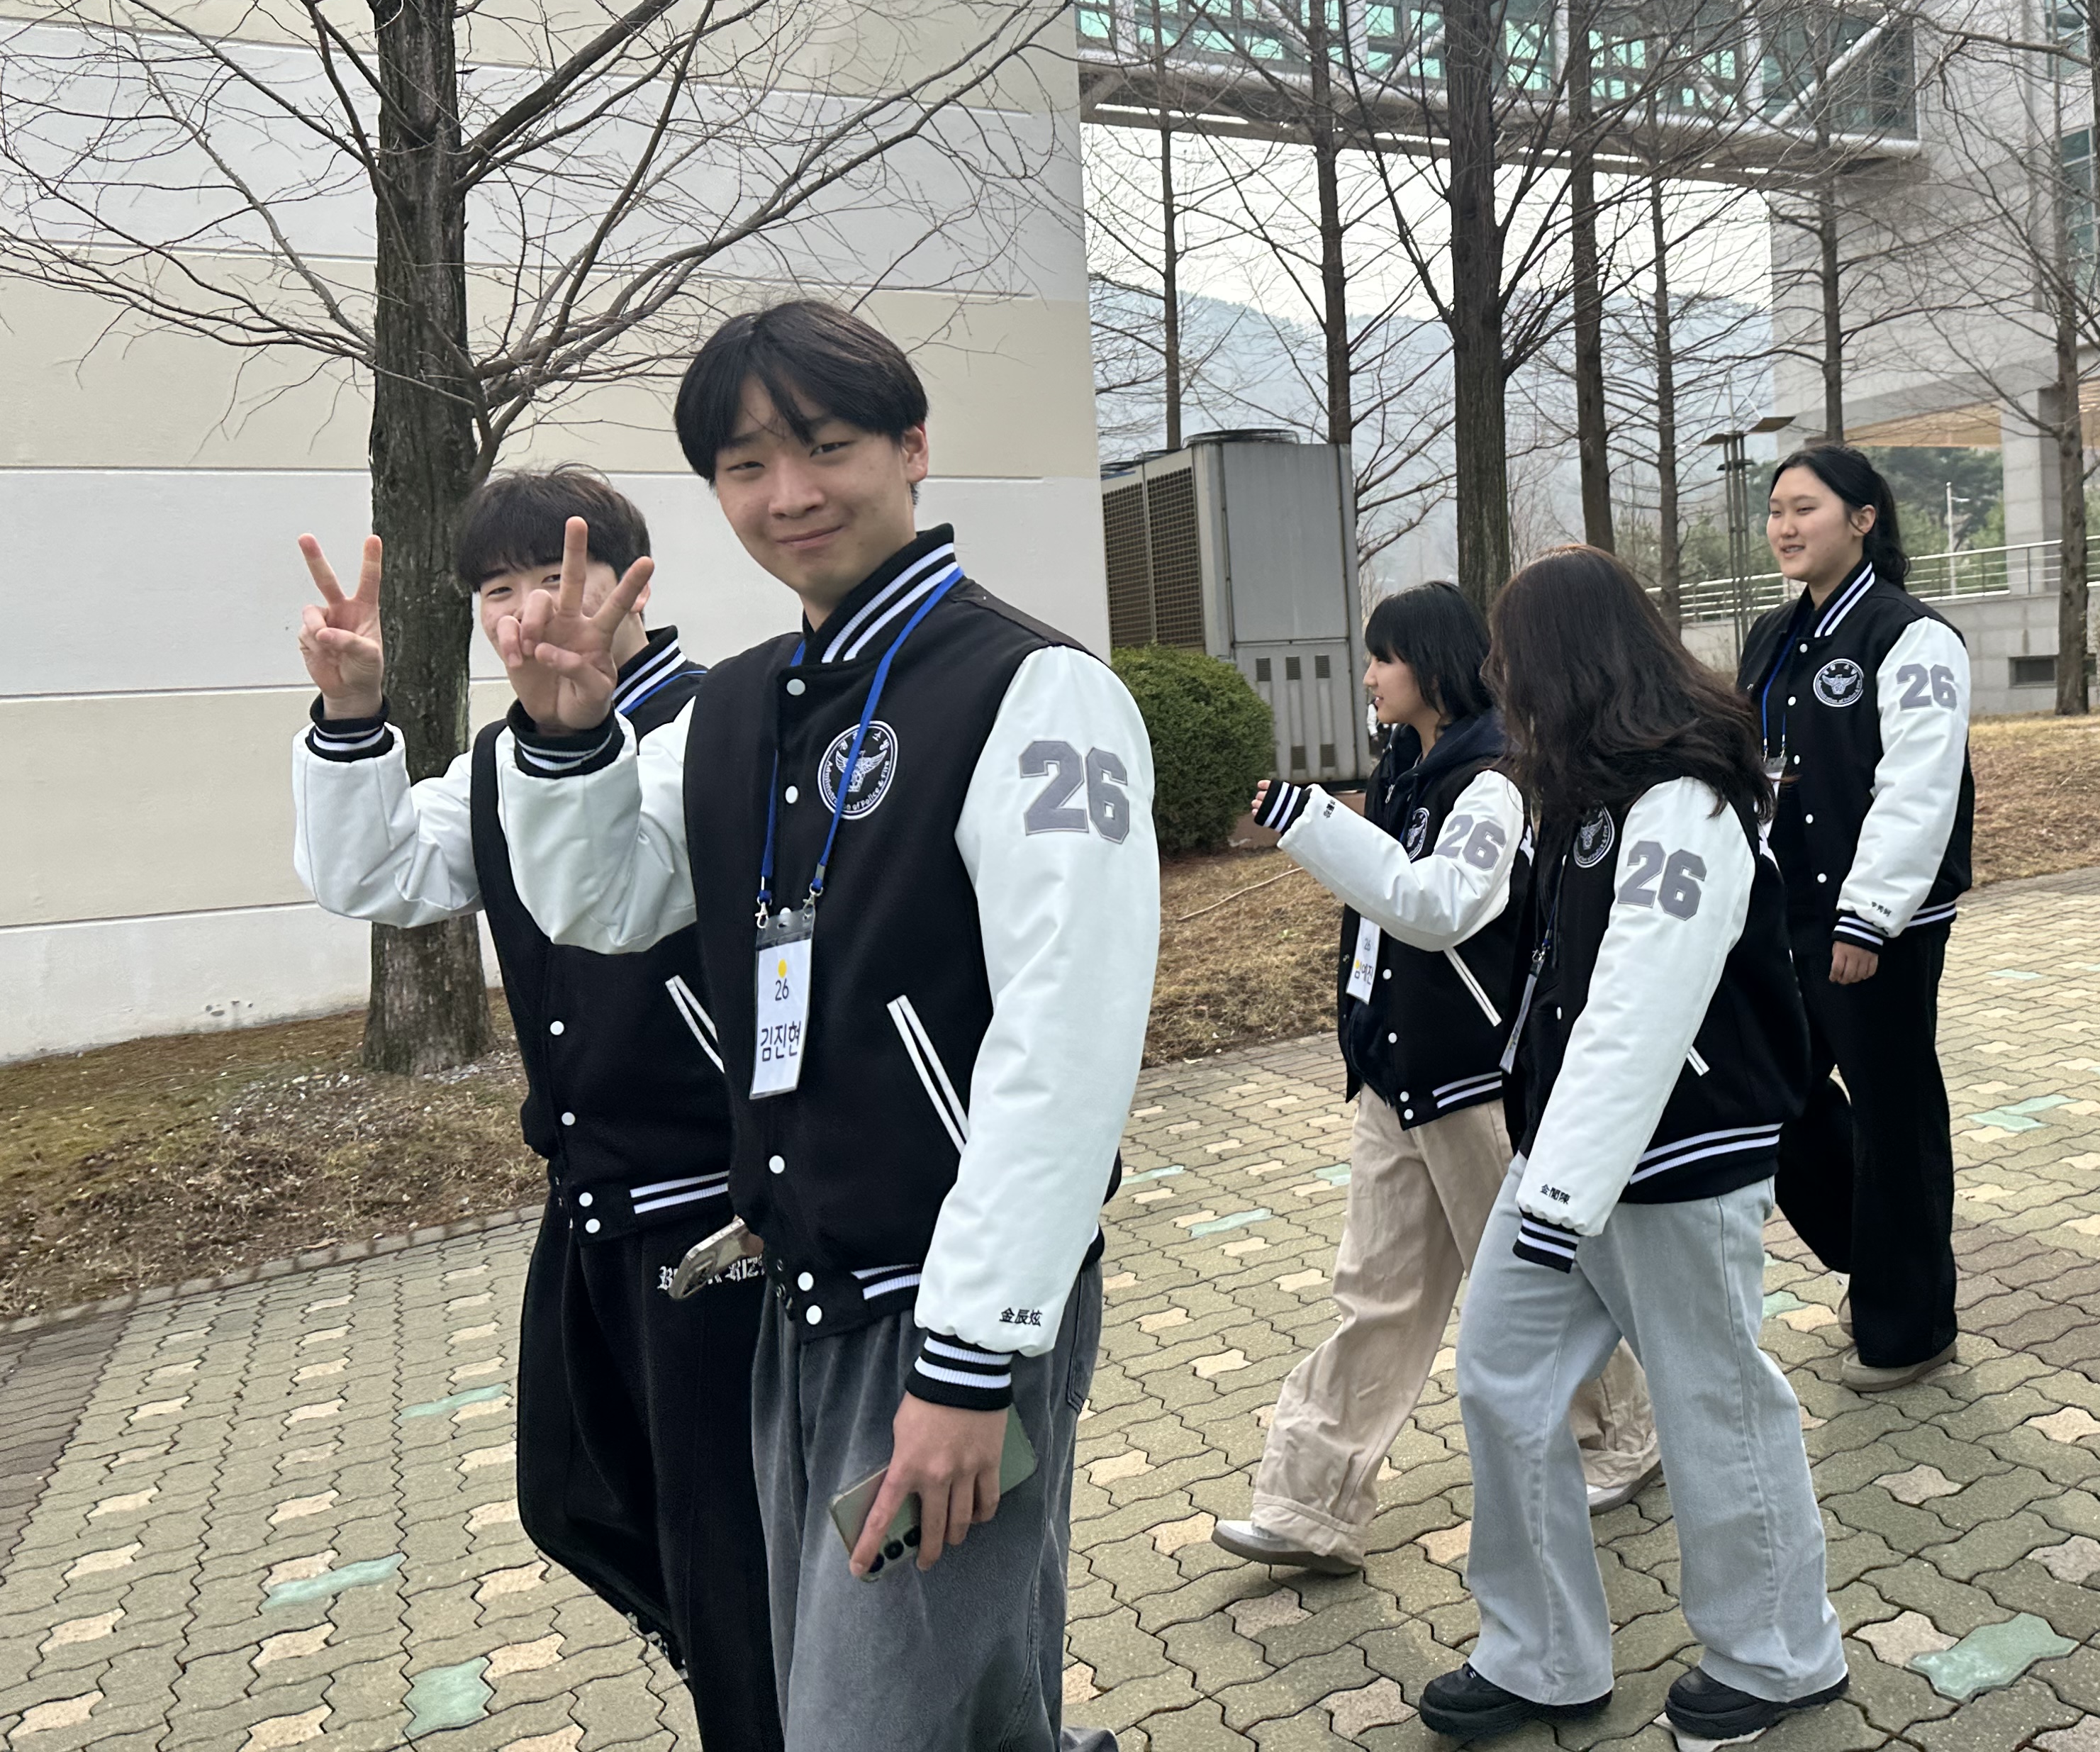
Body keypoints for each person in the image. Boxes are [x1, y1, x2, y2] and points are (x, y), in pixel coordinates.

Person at [493, 301, 1158, 1752]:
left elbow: (1068, 1043)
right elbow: (602, 899)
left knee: (869, 1719)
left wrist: (971, 1360)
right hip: (799, 1293)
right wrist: (566, 740)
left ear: (912, 449)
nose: (788, 494)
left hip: (951, 1305)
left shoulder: (1034, 691)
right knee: (946, 1702)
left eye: (828, 447)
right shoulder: (738, 708)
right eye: (744, 466)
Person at [290, 472, 779, 1752]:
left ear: (630, 586)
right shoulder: (505, 756)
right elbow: (377, 872)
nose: (521, 613)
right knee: (570, 1495)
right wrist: (351, 712)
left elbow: (631, 893)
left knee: (728, 1543)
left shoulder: (715, 726)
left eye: (552, 580)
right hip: (590, 1194)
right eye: (496, 591)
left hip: (711, 1200)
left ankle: (784, 1690)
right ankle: (776, 1666)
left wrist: (577, 741)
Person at [1422, 547, 1845, 1751]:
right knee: (1501, 1376)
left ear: (1566, 662)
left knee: (1715, 1399)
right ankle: (1543, 1653)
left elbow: (1641, 1004)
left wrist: (1552, 1195)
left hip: (1679, 1159)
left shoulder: (1687, 798)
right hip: (1570, 1162)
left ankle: (1779, 1652)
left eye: (1510, 659)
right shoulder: (1588, 793)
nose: (1500, 683)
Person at [1219, 585, 1658, 1580]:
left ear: (1431, 661)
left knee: (1549, 1283)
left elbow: (1438, 907)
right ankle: (1309, 1505)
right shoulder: (1408, 769)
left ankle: (1623, 1436)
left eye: (1383, 657)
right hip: (1396, 1076)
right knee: (1375, 1296)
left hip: (1472, 1084)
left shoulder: (1493, 779)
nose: (1368, 676)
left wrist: (1311, 821)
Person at [1742, 446, 1975, 1390]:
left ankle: (1911, 1329)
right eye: (1776, 511)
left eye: (1806, 508)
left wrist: (1869, 917)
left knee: (1893, 1116)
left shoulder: (1911, 637)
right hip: (1781, 914)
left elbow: (1918, 785)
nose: (1785, 527)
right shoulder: (1771, 636)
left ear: (1864, 518)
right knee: (1775, 1095)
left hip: (1882, 925)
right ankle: (1873, 1260)